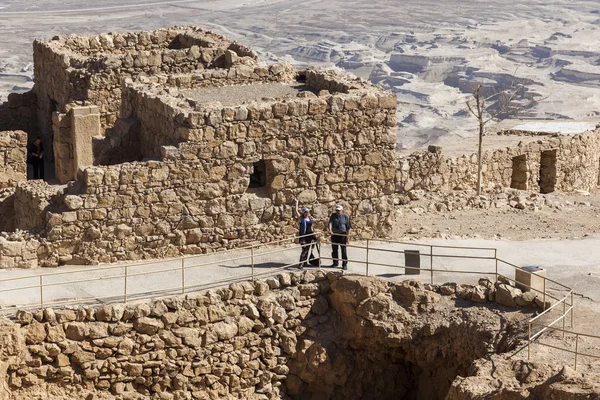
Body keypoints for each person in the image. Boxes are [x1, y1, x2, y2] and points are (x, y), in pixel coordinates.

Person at [295, 199, 319, 269]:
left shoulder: (309, 219)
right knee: (304, 249)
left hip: (309, 236)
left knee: (308, 249)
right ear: (303, 213)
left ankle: (305, 262)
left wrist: (314, 235)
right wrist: (297, 203)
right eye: (305, 212)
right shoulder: (301, 218)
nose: (306, 213)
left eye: (307, 212)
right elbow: (296, 211)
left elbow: (311, 227)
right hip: (303, 236)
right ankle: (300, 263)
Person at [329, 204, 351, 270]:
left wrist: (347, 237)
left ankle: (344, 264)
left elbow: (348, 227)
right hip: (335, 235)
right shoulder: (333, 216)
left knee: (343, 250)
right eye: (337, 210)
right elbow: (330, 223)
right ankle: (335, 263)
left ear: (342, 210)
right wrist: (330, 230)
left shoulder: (345, 217)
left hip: (342, 235)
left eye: (339, 210)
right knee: (334, 249)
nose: (338, 212)